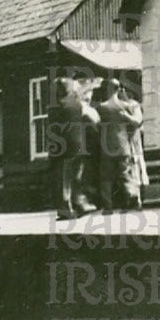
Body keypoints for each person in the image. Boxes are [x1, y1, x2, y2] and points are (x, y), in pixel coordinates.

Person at [48, 76, 101, 220]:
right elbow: (92, 119)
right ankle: (76, 204)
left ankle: (68, 207)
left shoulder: (54, 105)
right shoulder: (76, 103)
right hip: (76, 144)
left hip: (59, 146)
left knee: (63, 178)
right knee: (75, 175)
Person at [97, 79, 146, 211]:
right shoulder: (126, 106)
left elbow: (96, 124)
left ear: (107, 89)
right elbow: (136, 123)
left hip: (107, 147)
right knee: (125, 175)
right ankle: (133, 197)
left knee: (106, 178)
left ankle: (108, 207)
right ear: (118, 90)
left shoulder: (102, 107)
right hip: (123, 146)